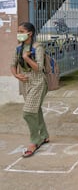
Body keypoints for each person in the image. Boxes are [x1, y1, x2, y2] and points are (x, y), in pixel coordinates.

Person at [10, 22, 49, 158]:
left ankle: (34, 141)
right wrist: (16, 75)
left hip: (38, 81)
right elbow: (12, 64)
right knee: (35, 109)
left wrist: (27, 57)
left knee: (27, 112)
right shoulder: (18, 48)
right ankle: (44, 136)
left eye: (22, 31)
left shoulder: (37, 47)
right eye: (18, 31)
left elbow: (39, 67)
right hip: (25, 81)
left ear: (30, 33)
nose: (19, 33)